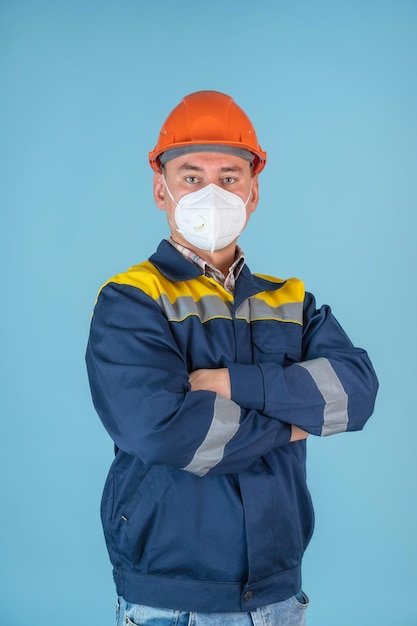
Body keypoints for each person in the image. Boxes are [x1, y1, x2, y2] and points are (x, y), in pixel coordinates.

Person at [86, 90, 378, 626]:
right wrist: (293, 422)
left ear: (253, 190)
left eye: (229, 177)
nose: (211, 193)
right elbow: (166, 432)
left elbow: (355, 393)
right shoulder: (131, 299)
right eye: (191, 176)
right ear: (161, 188)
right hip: (169, 599)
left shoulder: (291, 300)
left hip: (278, 593)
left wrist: (230, 384)